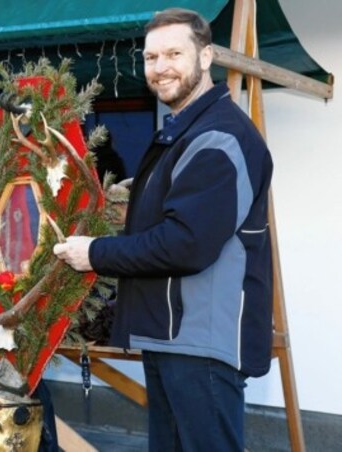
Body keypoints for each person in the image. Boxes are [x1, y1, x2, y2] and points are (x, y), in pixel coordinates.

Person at [53, 8, 273, 451]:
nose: (160, 67)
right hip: (174, 337)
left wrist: (95, 253)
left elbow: (186, 244)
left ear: (206, 56)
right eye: (151, 57)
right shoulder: (187, 133)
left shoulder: (219, 138)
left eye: (174, 53)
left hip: (203, 344)